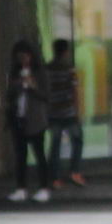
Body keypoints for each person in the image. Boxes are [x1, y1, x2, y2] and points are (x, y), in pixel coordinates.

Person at [4, 40, 49, 203]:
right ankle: (21, 188)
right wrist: (18, 85)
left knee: (39, 154)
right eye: (19, 57)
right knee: (20, 155)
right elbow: (8, 94)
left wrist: (32, 85)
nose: (22, 60)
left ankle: (44, 188)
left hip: (36, 119)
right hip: (18, 118)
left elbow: (45, 94)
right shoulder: (14, 73)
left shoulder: (39, 72)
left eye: (25, 56)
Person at [44, 38, 84, 189]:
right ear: (66, 51)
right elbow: (74, 91)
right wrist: (78, 111)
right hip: (69, 113)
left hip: (53, 113)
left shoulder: (47, 69)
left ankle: (54, 178)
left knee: (55, 145)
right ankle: (75, 172)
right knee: (77, 140)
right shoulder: (69, 69)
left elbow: (44, 91)